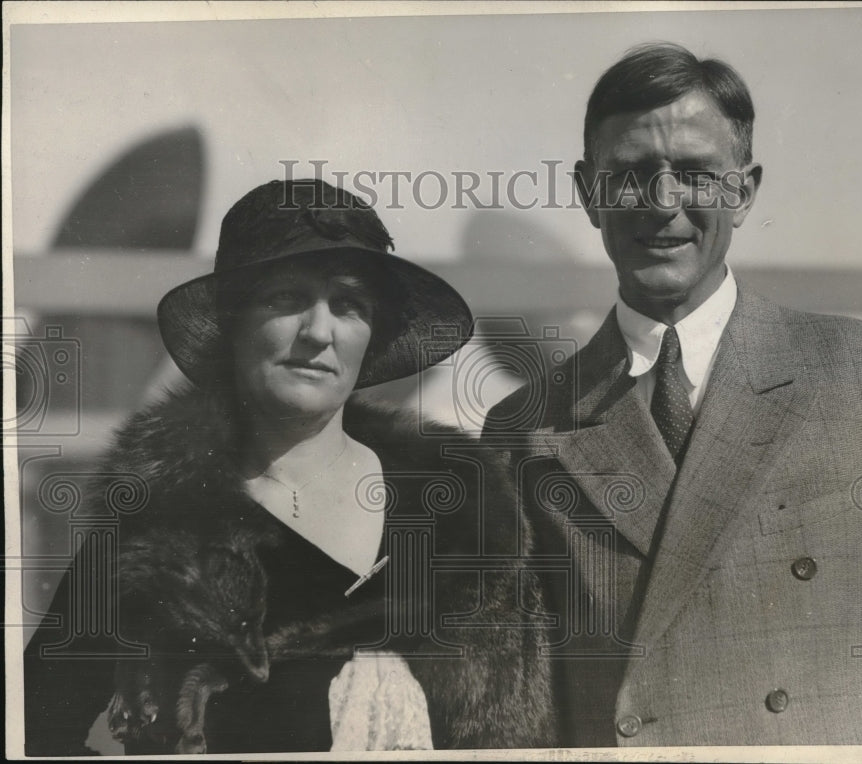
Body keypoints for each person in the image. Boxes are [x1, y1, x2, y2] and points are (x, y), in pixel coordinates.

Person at [483, 42, 862, 747]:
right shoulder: (525, 424)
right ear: (588, 193)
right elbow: (521, 698)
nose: (663, 205)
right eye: (630, 175)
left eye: (694, 174)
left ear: (744, 192)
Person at [23, 179, 555, 755]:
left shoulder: (464, 513)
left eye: (349, 305)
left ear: (372, 336)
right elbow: (31, 727)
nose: (318, 332)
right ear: (233, 322)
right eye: (284, 298)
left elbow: (510, 740)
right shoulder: (161, 524)